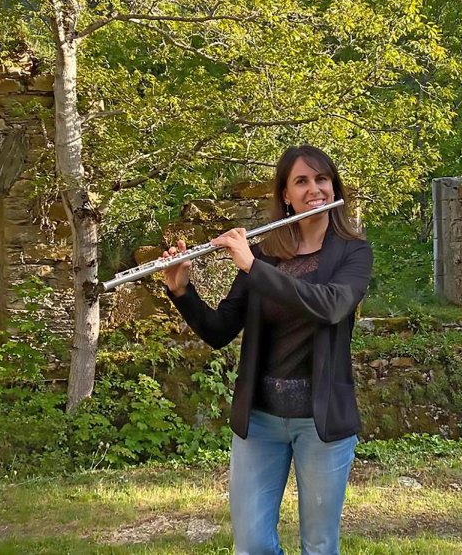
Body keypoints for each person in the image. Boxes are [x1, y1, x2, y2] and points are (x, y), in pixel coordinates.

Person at [159, 145, 373, 555]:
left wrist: (252, 268)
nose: (315, 189)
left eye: (321, 179)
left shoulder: (353, 252)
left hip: (322, 422)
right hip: (260, 422)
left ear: (333, 185)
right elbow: (220, 330)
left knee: (319, 545)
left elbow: (330, 306)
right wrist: (181, 290)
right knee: (252, 544)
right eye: (302, 181)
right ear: (286, 195)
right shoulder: (264, 254)